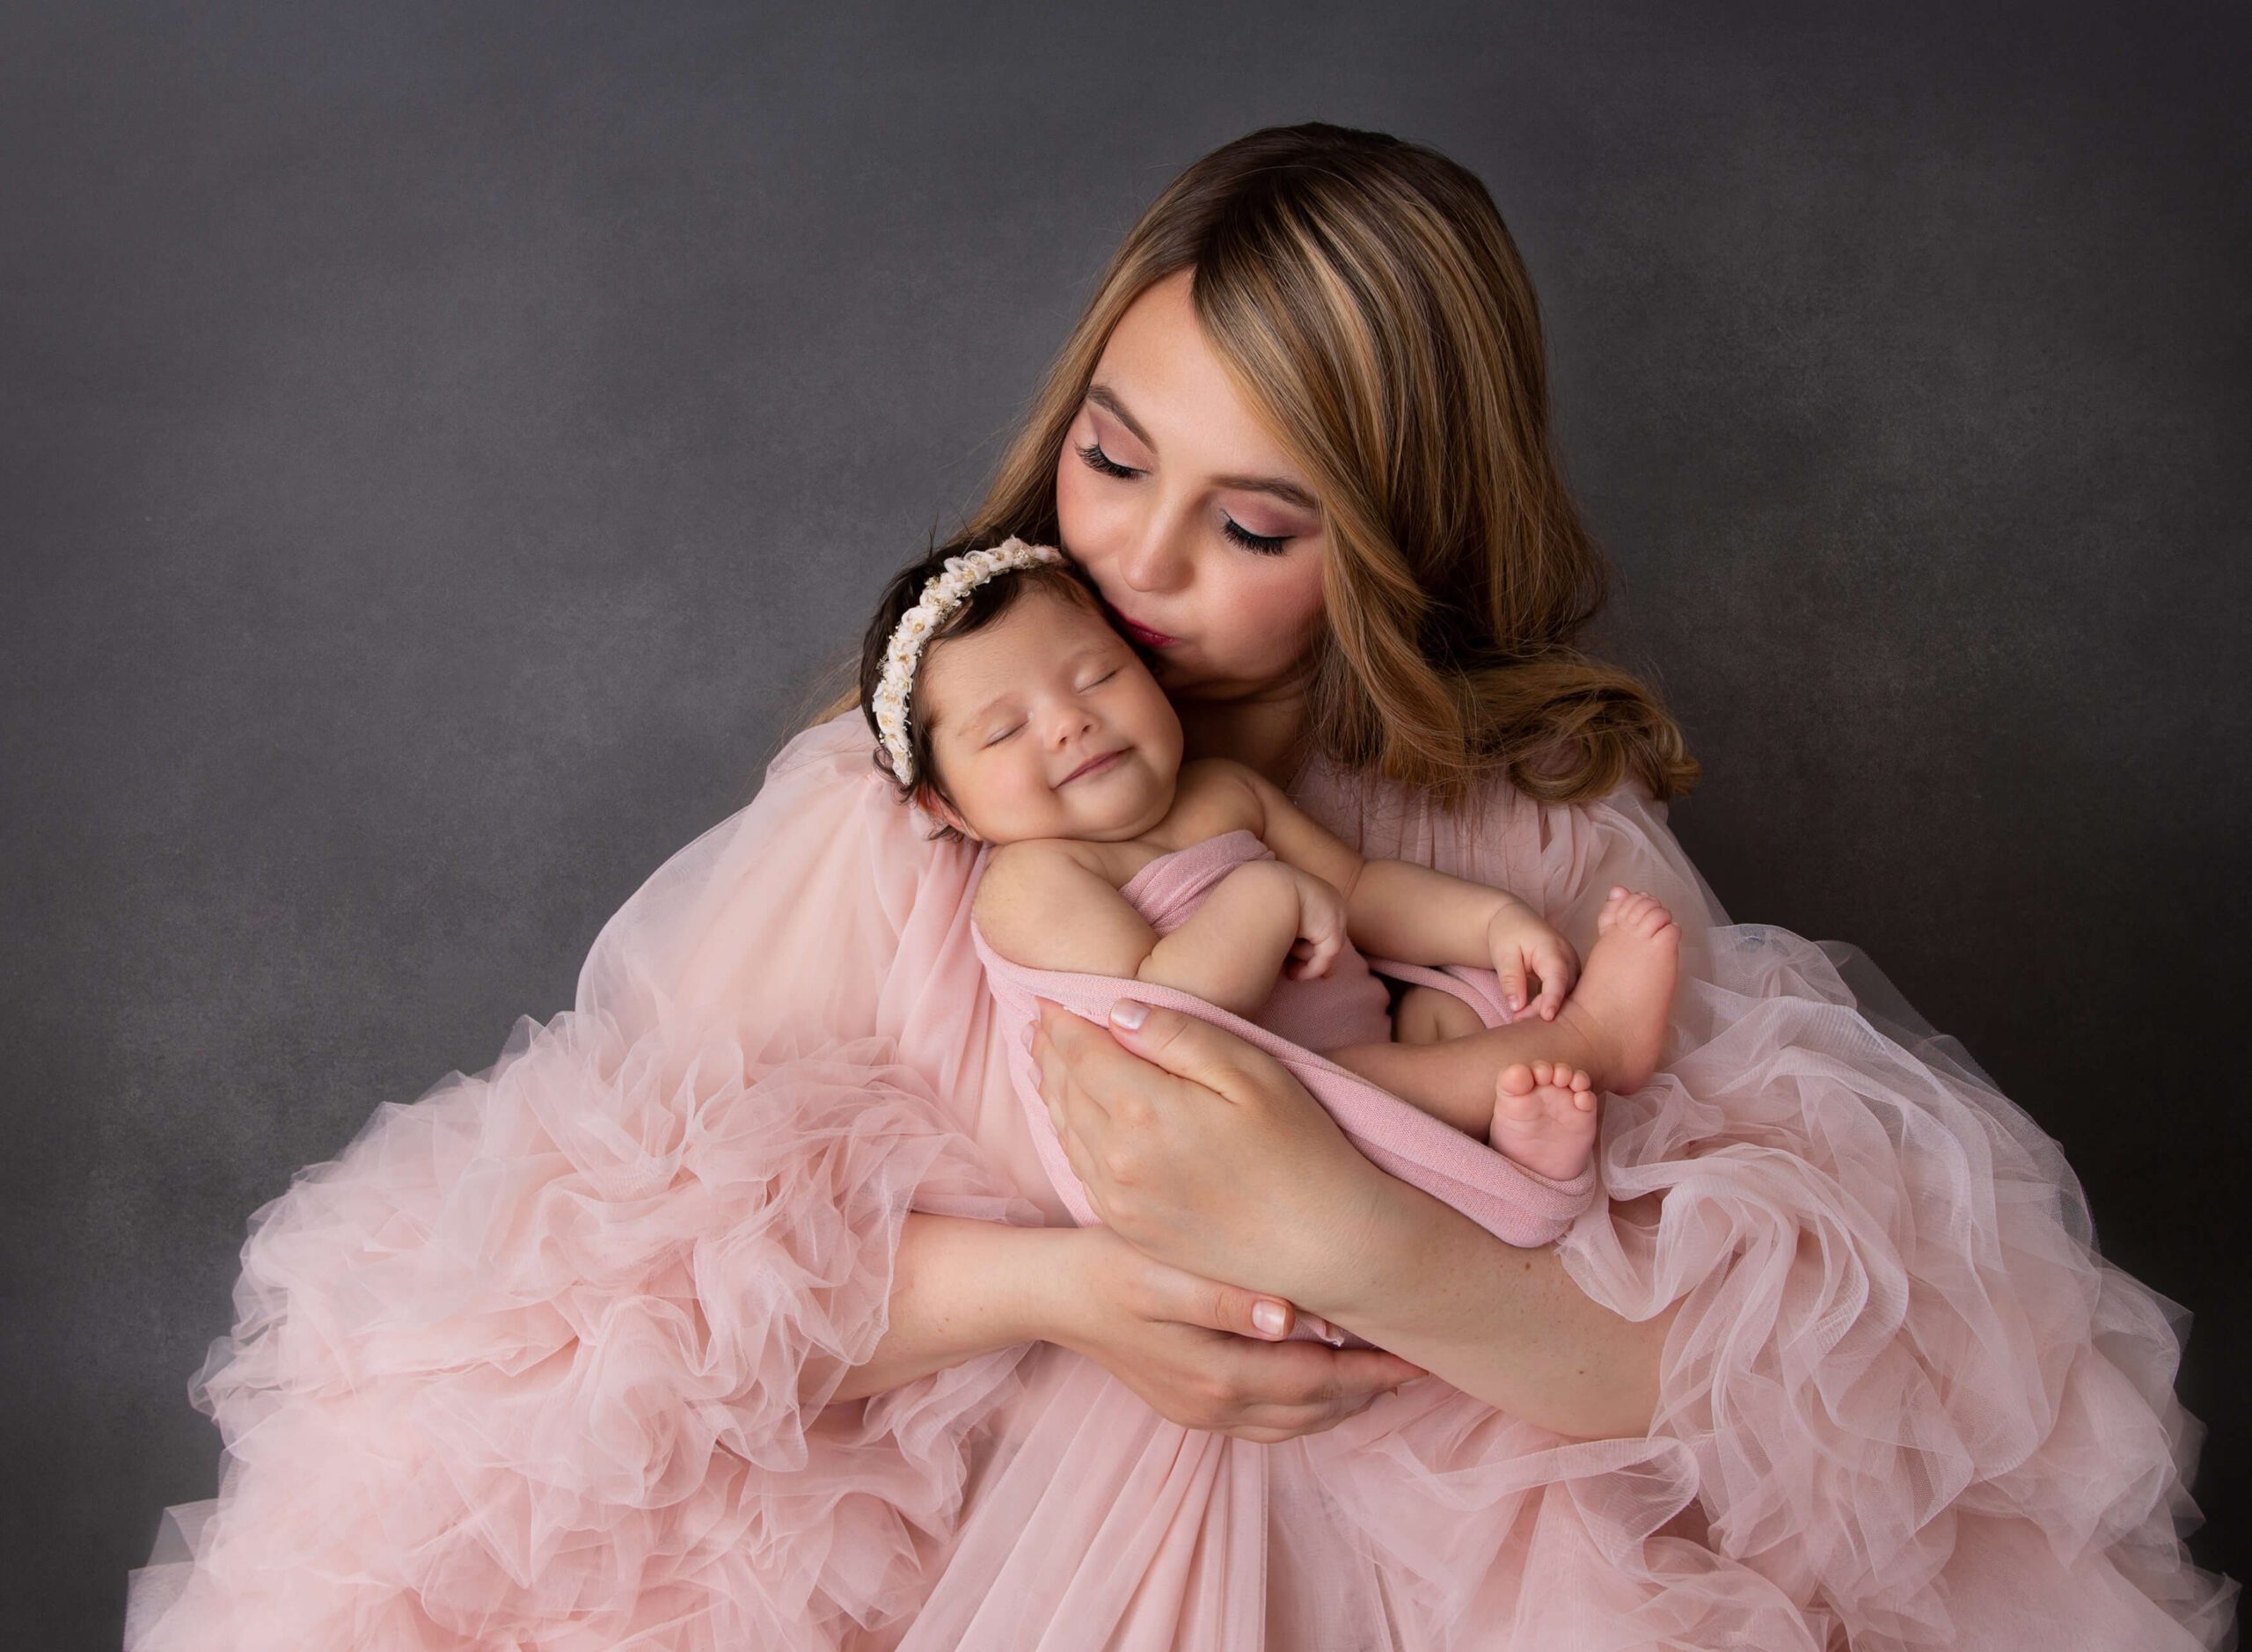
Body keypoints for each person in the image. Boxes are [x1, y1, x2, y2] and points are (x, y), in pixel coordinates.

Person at [123, 123, 2238, 1650]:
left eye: (1252, 522)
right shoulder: (920, 821)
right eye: (1111, 460)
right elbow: (605, 1304)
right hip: (965, 1541)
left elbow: (1782, 1387)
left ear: (1396, 538)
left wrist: (1370, 1255)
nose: (1132, 571)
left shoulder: (1532, 835)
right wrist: (1061, 1288)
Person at [857, 532, 1684, 1182]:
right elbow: (1161, 1015)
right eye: (1005, 730)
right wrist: (1266, 894)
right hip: (1243, 1134)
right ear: (948, 806)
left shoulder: (1223, 792)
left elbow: (1358, 890)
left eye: (1099, 677)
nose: (1069, 723)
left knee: (1452, 1013)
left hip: (1359, 1066)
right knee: (1372, 1078)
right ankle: (1594, 1044)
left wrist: (1492, 923)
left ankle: (1513, 1160)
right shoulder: (1033, 879)